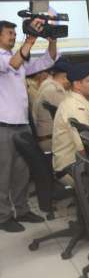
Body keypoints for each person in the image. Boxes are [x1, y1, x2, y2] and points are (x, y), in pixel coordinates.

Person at [0, 18, 56, 232]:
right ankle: (3, 216)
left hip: (22, 124)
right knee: (3, 174)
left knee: (22, 172)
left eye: (15, 34)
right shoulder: (6, 58)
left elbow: (47, 61)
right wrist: (30, 40)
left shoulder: (18, 58)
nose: (14, 36)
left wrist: (52, 41)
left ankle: (22, 210)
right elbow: (13, 64)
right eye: (9, 33)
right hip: (3, 126)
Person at [51, 63, 89, 184]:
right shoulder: (75, 108)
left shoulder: (82, 102)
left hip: (77, 163)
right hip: (72, 169)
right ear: (77, 85)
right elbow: (84, 150)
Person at [32, 59, 71, 152]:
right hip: (50, 141)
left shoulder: (47, 85)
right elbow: (71, 117)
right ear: (65, 77)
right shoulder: (54, 91)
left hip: (48, 138)